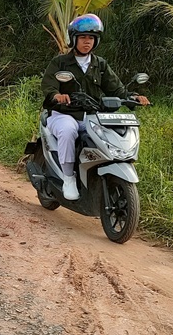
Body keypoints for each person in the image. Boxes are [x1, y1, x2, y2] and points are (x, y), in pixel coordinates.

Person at [40, 13, 150, 200]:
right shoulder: (60, 62)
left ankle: (96, 175)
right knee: (68, 131)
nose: (87, 42)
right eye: (83, 37)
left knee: (110, 136)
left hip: (93, 116)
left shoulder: (100, 64)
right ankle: (68, 177)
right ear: (74, 39)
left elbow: (116, 88)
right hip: (65, 114)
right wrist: (57, 95)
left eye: (91, 38)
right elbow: (49, 85)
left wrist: (133, 97)